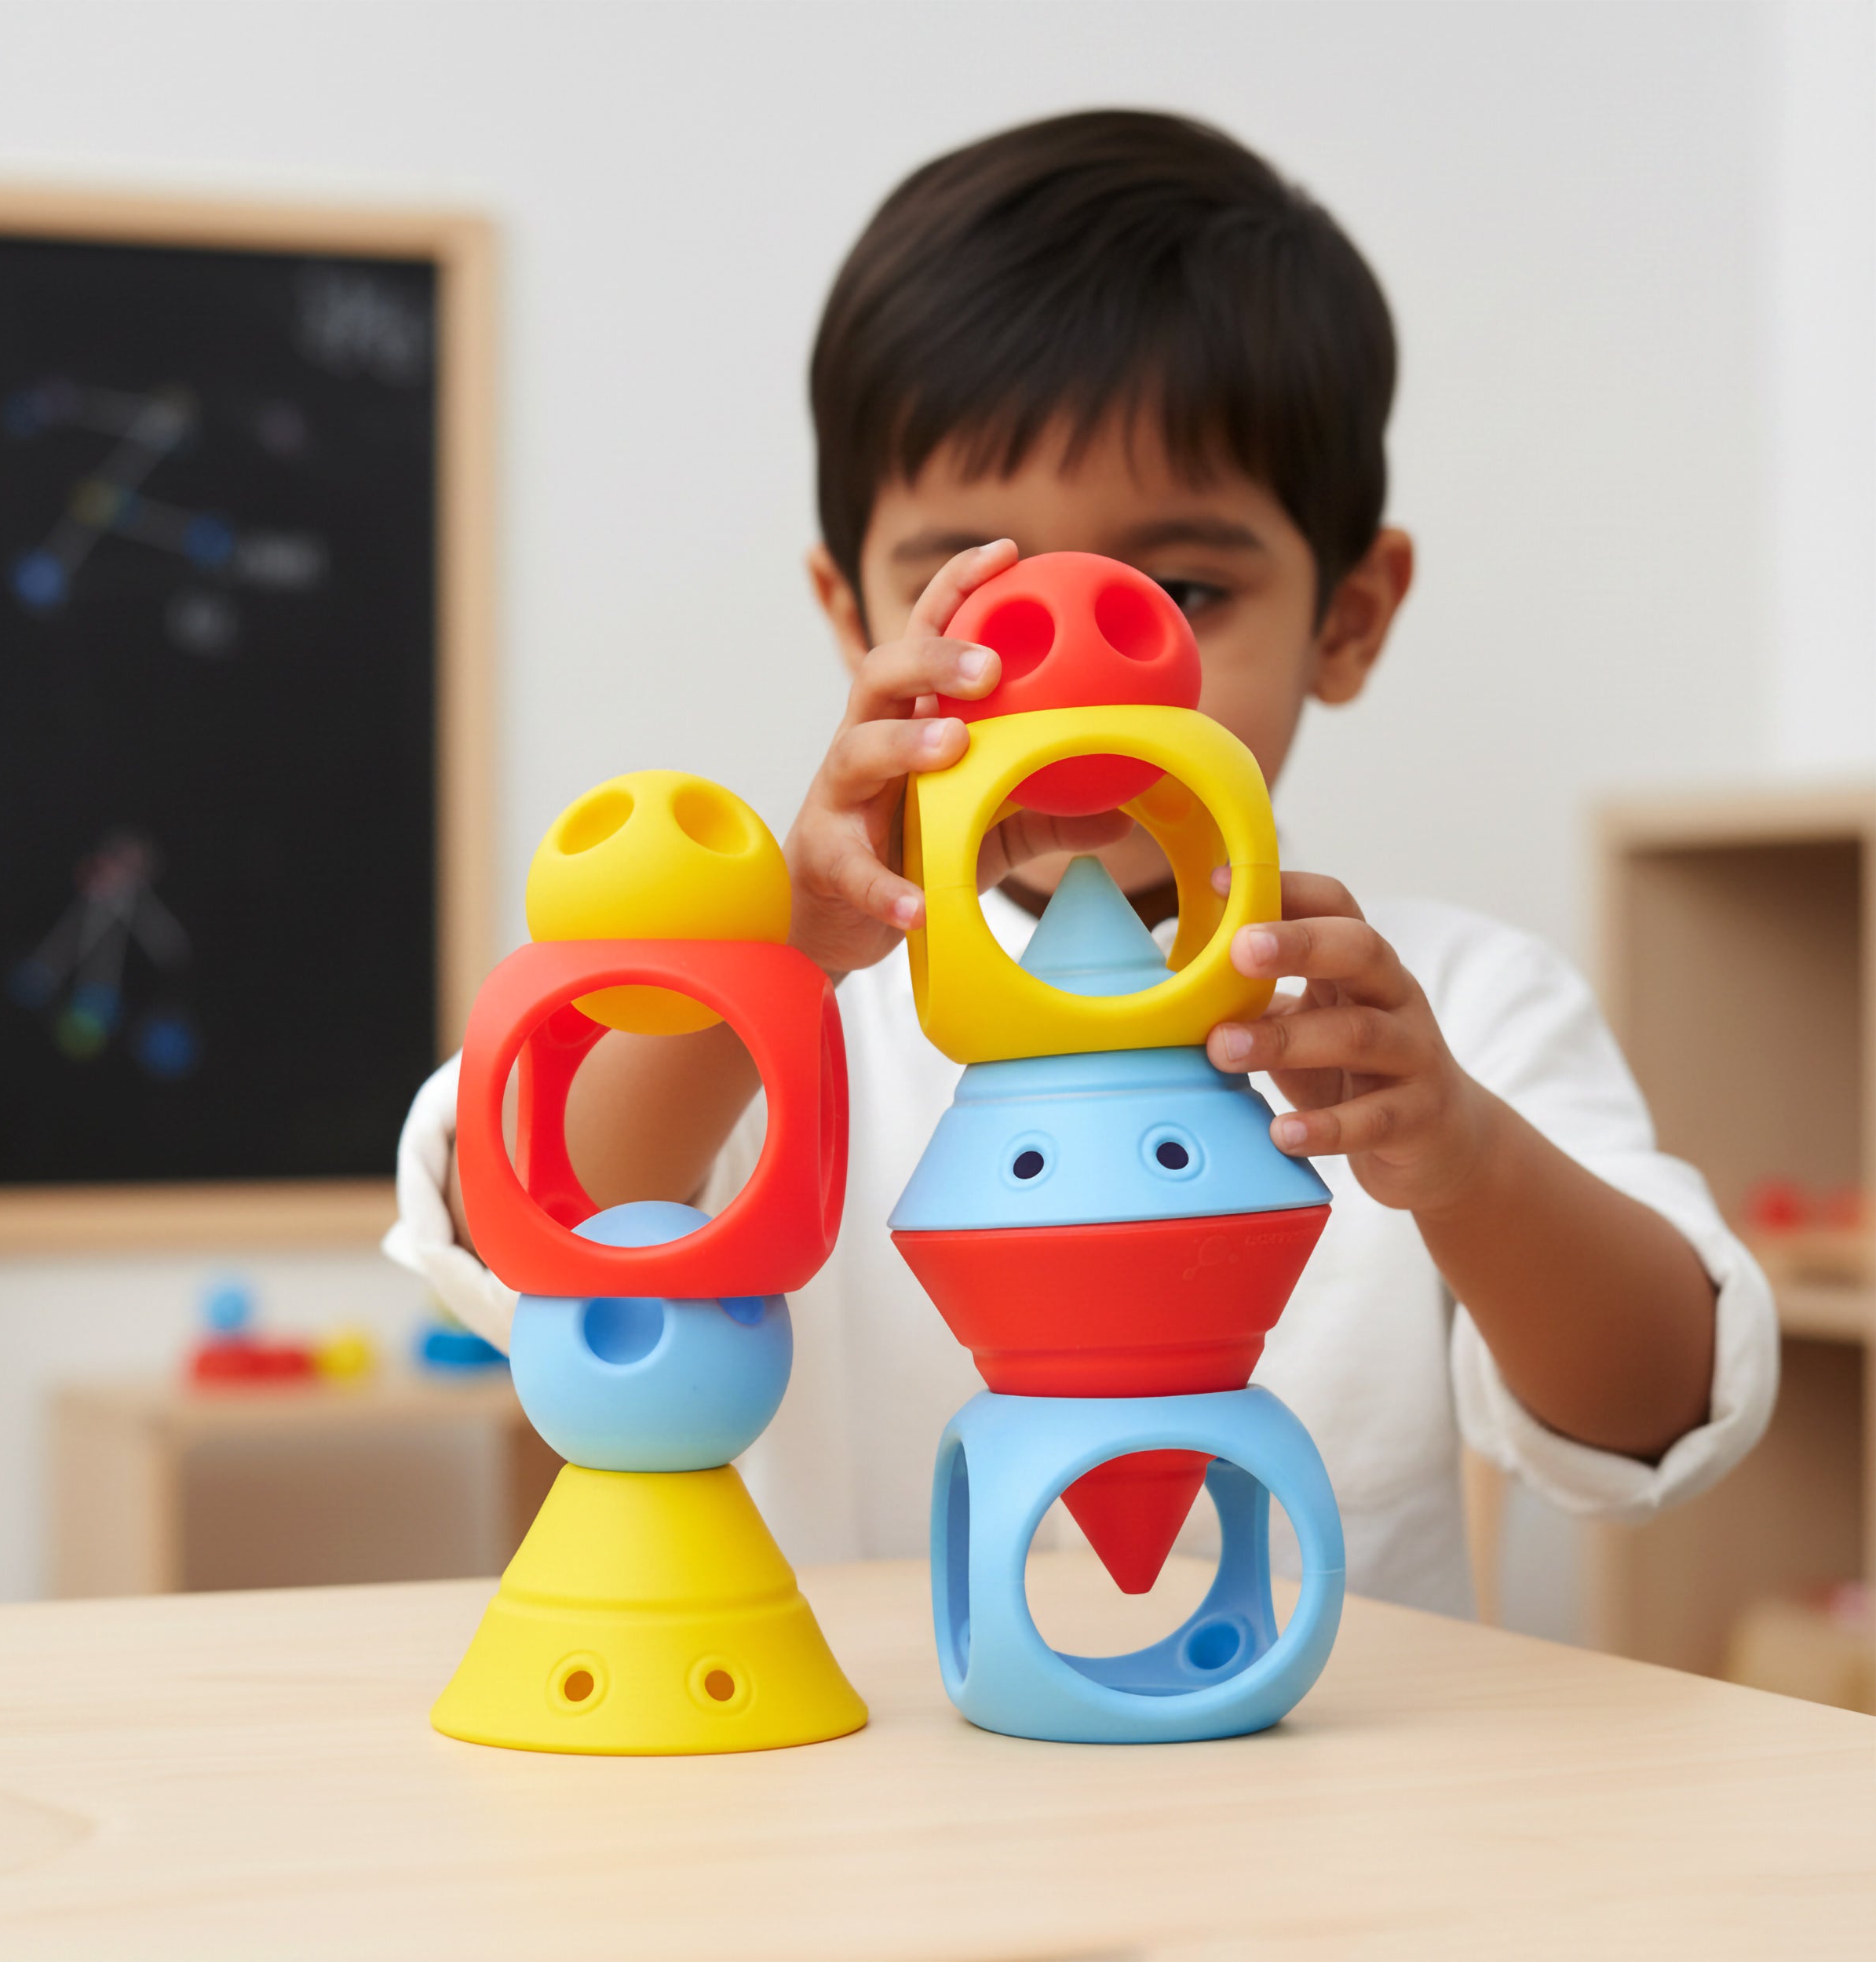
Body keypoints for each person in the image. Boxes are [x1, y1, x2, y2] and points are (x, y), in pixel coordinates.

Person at [388, 109, 1776, 1614]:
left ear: (1351, 619)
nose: (1071, 684)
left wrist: (1467, 1161)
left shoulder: (1442, 1007)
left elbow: (1662, 1412)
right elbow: (535, 1230)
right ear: (855, 620)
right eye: (974, 596)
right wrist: (781, 950)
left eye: (1180, 588)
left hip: (1334, 1762)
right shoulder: (807, 990)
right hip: (867, 1750)